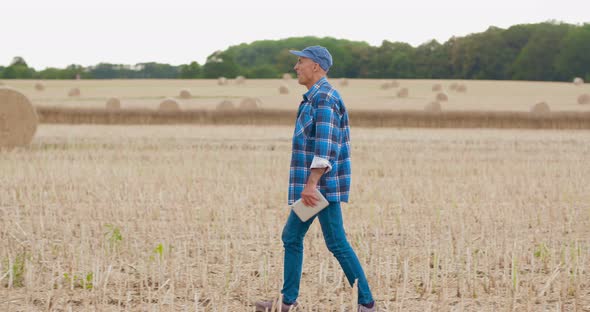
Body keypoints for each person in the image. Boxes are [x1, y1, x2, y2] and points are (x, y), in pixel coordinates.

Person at [255, 46, 376, 312]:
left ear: (317, 67)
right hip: (316, 187)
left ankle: (366, 303)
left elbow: (325, 148)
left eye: (301, 62)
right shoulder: (315, 97)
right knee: (292, 237)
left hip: (321, 188)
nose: (296, 67)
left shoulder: (324, 98)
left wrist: (311, 185)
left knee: (335, 242)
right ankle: (288, 302)